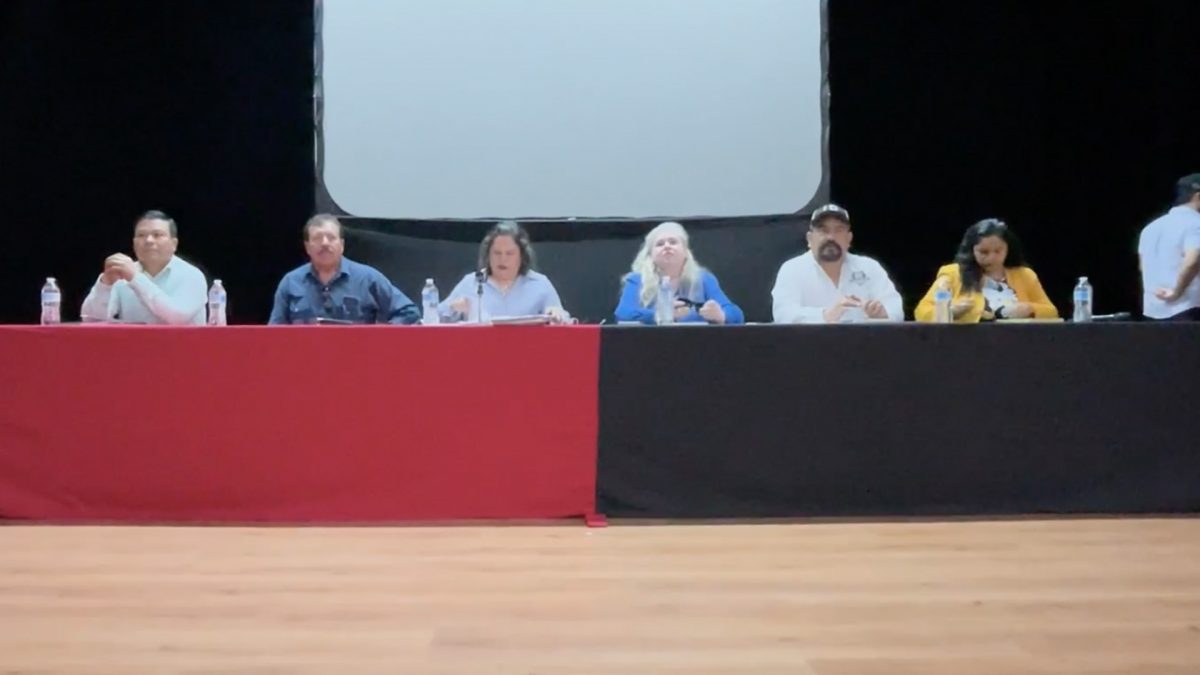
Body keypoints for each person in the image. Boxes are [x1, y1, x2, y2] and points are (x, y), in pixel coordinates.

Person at [268, 214, 419, 325]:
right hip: (304, 356)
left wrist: (380, 336)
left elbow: (409, 312)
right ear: (307, 247)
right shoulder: (291, 282)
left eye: (331, 237)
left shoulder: (367, 278)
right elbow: (274, 333)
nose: (325, 243)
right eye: (317, 238)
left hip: (358, 355)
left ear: (342, 245)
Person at [771, 203, 903, 323]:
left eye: (839, 230)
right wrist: (825, 315)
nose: (831, 237)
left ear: (849, 239)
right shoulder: (792, 269)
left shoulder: (869, 268)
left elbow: (896, 310)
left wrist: (883, 314)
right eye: (823, 230)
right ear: (809, 239)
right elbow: (783, 314)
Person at [915, 218, 1057, 322]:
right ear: (972, 250)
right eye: (984, 252)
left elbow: (1052, 312)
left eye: (998, 251)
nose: (991, 258)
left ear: (1008, 249)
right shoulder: (952, 275)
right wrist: (950, 311)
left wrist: (1030, 309)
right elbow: (921, 312)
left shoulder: (1025, 275)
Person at [80, 210, 208, 325]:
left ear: (174, 244)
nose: (148, 240)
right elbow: (91, 320)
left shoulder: (192, 276)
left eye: (157, 235)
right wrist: (105, 285)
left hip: (181, 344)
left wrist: (135, 278)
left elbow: (177, 318)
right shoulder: (122, 273)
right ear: (134, 243)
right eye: (141, 235)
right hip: (133, 344)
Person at [614, 221, 744, 325]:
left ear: (686, 252)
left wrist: (721, 315)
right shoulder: (636, 280)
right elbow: (623, 313)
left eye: (673, 242)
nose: (667, 246)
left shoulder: (704, 279)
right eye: (660, 244)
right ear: (650, 255)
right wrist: (661, 315)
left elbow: (737, 315)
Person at [438, 221, 569, 323]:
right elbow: (434, 319)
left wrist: (556, 314)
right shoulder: (471, 283)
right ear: (488, 255)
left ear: (522, 256)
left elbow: (565, 323)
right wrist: (452, 308)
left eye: (509, 254)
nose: (503, 259)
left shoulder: (540, 284)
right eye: (497, 253)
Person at [1139, 173, 1200, 321]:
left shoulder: (1151, 228)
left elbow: (1143, 266)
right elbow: (1193, 259)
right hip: (1188, 309)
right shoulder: (1196, 223)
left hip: (1154, 312)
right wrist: (1176, 291)